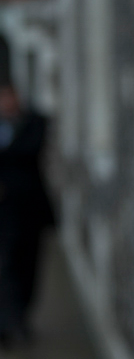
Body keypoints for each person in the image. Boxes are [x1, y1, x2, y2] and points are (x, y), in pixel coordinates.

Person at [0, 79, 55, 349]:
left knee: (29, 265)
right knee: (7, 265)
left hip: (29, 209)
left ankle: (21, 316)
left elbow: (29, 151)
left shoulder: (34, 122)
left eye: (9, 97)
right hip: (4, 212)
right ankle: (10, 322)